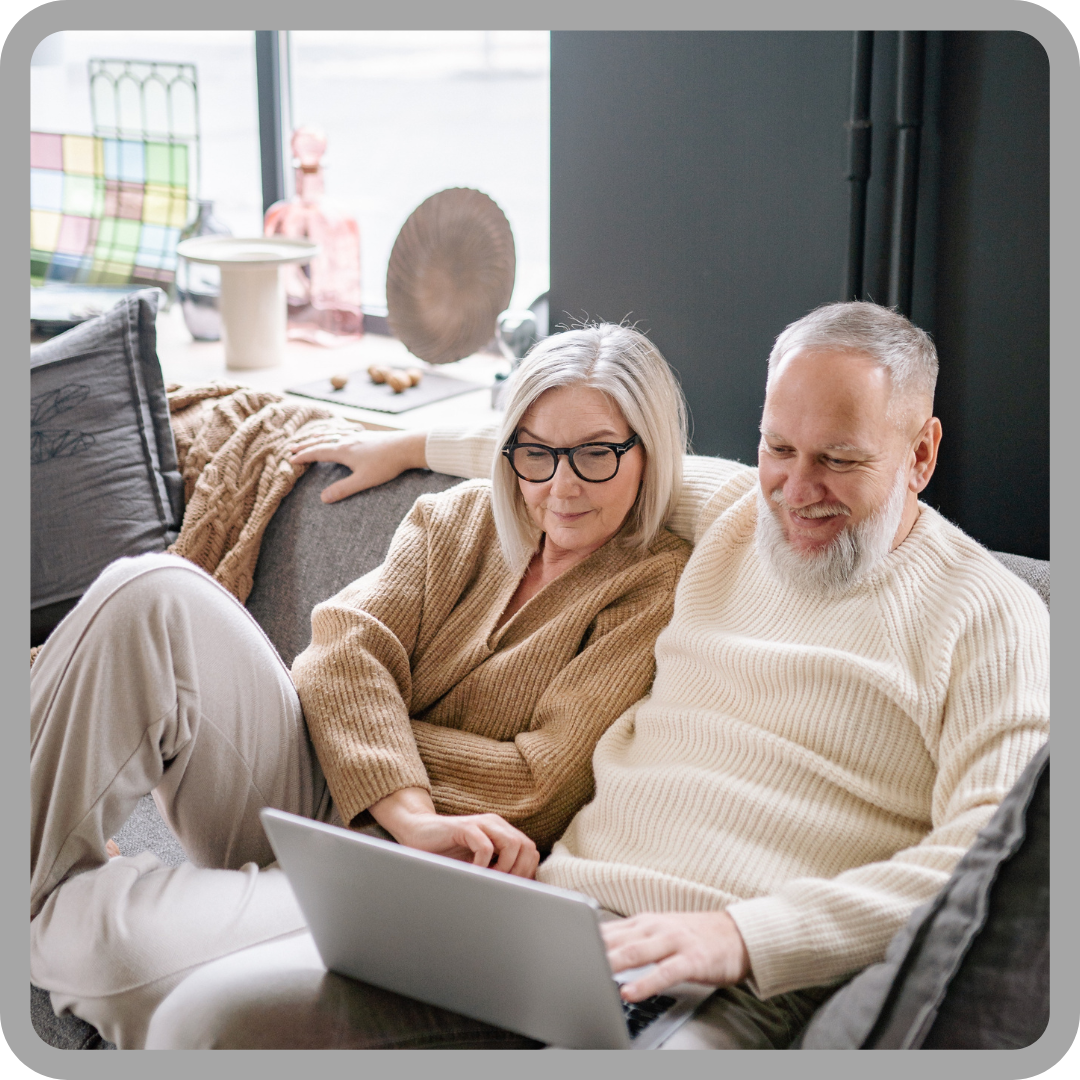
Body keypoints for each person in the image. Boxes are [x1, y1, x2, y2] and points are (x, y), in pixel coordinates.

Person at [145, 301, 1048, 1050]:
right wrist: (410, 438)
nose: (798, 488)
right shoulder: (741, 510)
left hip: (725, 991)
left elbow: (986, 863)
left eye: (840, 460)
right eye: (779, 447)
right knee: (205, 1021)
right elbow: (579, 452)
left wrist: (742, 936)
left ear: (920, 454)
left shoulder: (995, 622)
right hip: (546, 924)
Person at [29, 324, 692, 1048]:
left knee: (97, 945)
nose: (560, 486)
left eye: (596, 454)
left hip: (412, 877)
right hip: (317, 792)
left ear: (649, 452)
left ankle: (55, 906)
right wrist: (412, 810)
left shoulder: (655, 586)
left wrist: (369, 729)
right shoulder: (458, 516)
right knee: (150, 588)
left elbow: (536, 783)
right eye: (536, 453)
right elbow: (337, 649)